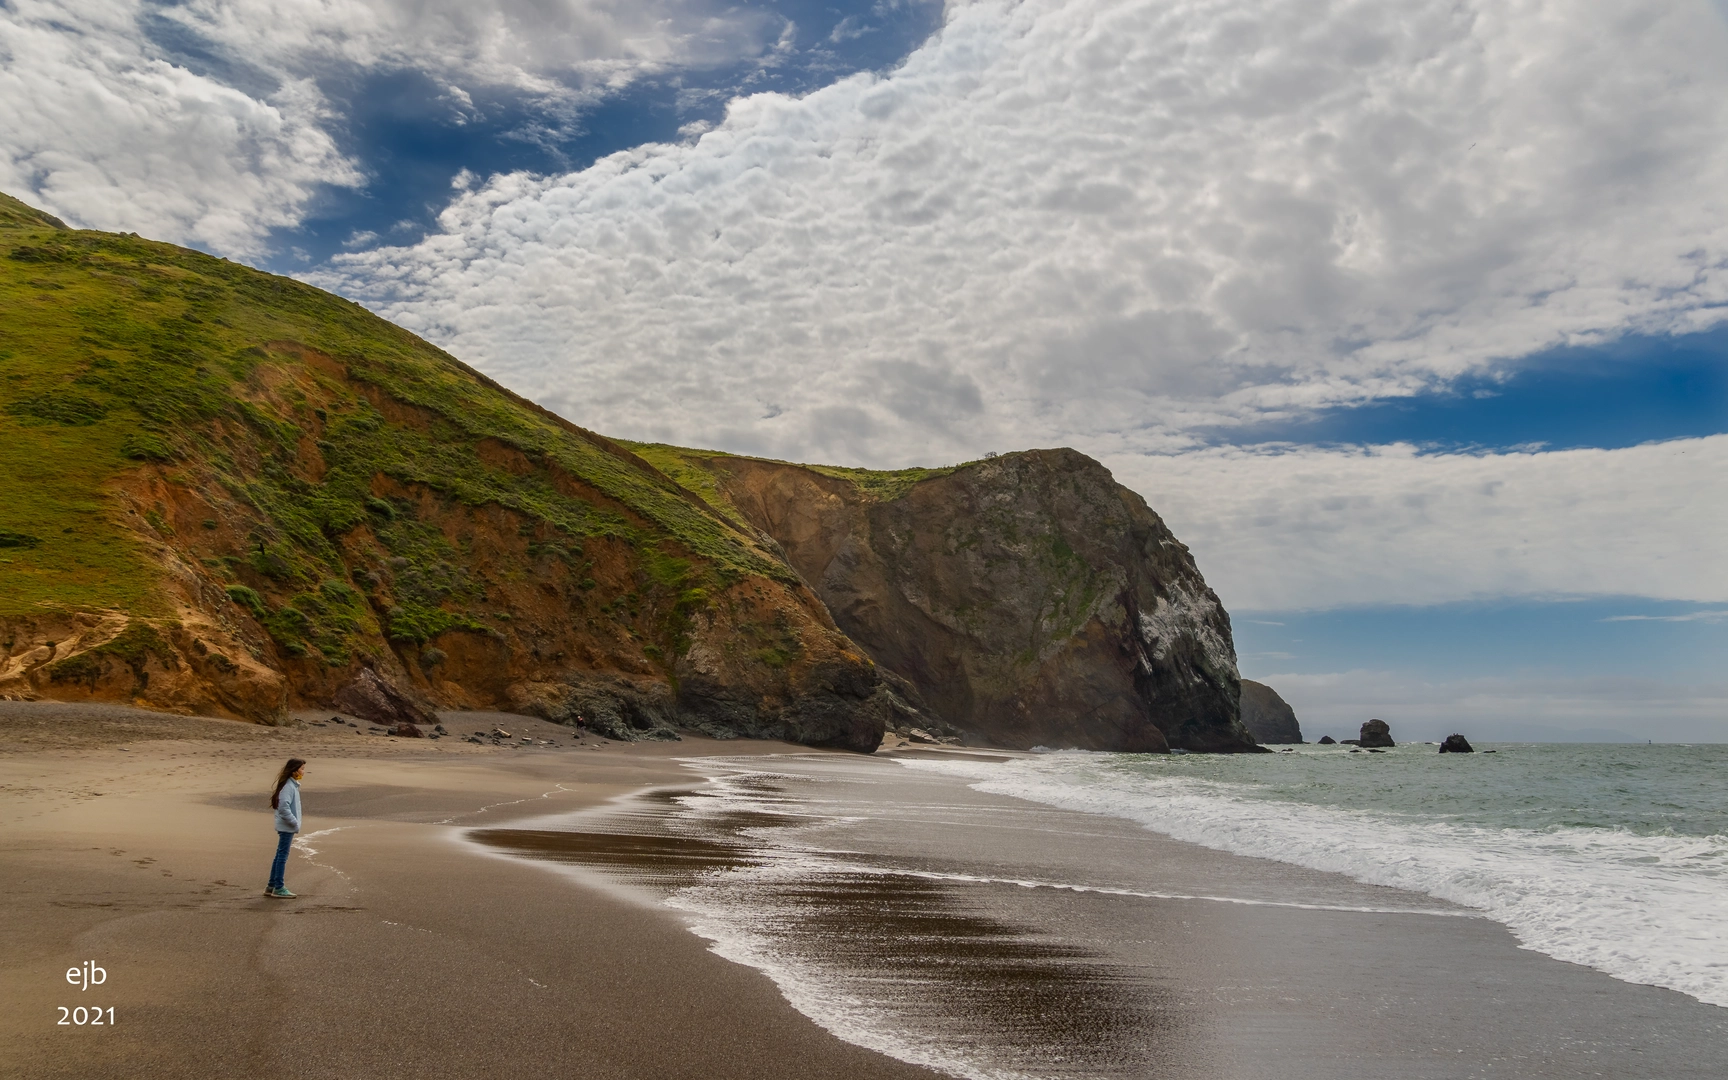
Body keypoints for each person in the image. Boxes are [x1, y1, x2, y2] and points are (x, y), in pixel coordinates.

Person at [266, 758, 306, 898]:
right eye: (302, 769)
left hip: (286, 826)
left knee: (279, 855)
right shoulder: (288, 786)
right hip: (286, 826)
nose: (303, 772)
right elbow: (283, 807)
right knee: (282, 856)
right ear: (294, 770)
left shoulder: (292, 785)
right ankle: (279, 887)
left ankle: (271, 885)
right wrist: (294, 823)